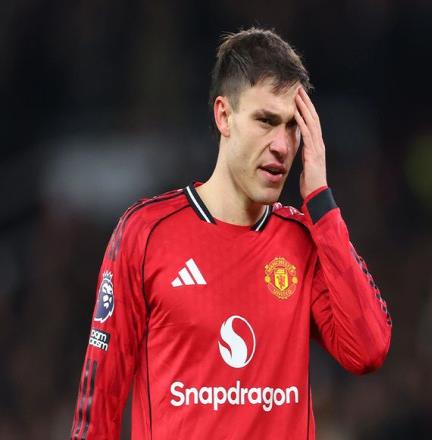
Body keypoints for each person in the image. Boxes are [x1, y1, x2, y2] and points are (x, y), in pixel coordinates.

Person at [70, 27, 392, 439]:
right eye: (266, 121)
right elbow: (98, 409)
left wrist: (322, 202)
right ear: (224, 116)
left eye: (292, 127)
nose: (282, 145)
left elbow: (368, 349)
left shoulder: (304, 239)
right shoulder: (145, 233)